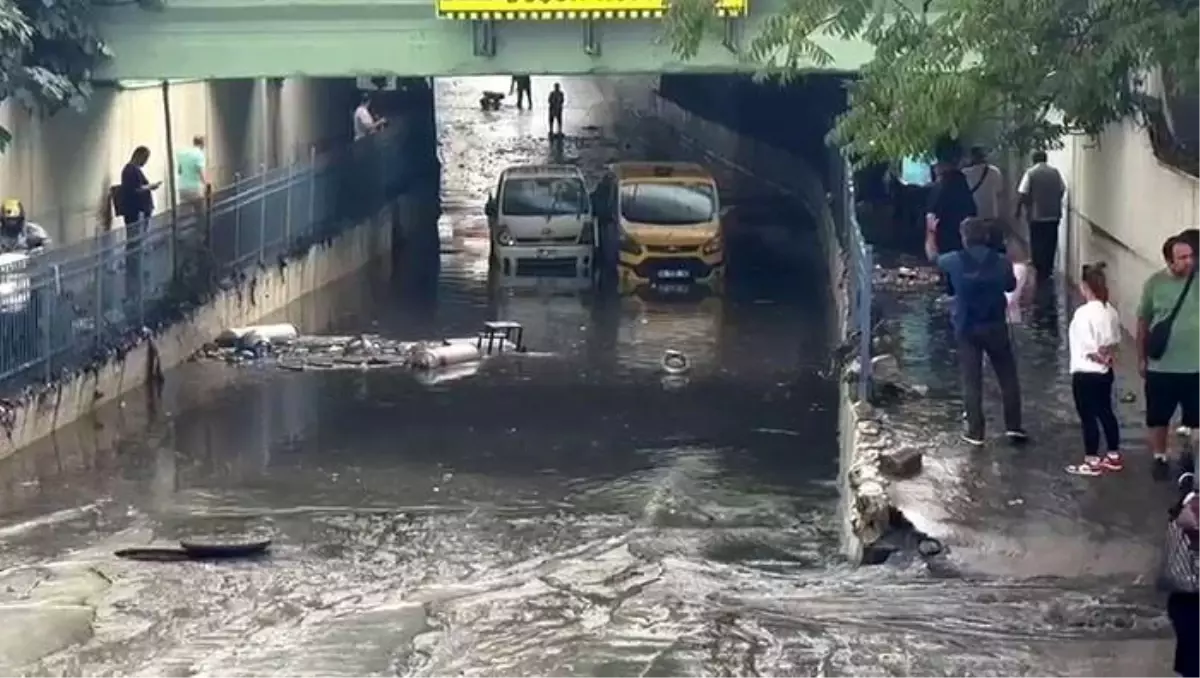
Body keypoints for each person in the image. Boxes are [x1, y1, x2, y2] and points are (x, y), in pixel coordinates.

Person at [928, 217, 1027, 446]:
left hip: (967, 329)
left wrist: (931, 232)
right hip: (996, 327)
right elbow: (1010, 286)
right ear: (985, 237)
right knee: (1008, 377)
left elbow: (933, 257)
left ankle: (975, 431)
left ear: (964, 238)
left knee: (972, 381)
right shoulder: (1001, 261)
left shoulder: (954, 260)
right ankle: (1013, 427)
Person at [1137, 235, 1200, 478]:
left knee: (1196, 419)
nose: (1189, 261)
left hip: (1195, 366)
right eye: (1182, 258)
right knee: (1158, 416)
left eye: (1191, 256)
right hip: (1162, 366)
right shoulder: (1154, 284)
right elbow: (1143, 321)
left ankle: (1190, 457)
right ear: (1169, 261)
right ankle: (1159, 456)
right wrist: (1141, 358)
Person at [1065, 263, 1123, 476]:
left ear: (1084, 286)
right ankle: (1113, 455)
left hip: (1084, 372)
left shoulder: (1083, 313)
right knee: (1106, 411)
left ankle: (1091, 460)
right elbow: (1114, 341)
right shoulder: (1111, 311)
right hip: (1105, 373)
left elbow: (1087, 346)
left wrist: (1098, 357)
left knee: (1088, 417)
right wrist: (1107, 358)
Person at [925, 159, 978, 296]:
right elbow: (973, 210)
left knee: (948, 267)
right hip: (962, 235)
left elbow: (932, 214)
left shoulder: (941, 186)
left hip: (945, 235)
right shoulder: (963, 184)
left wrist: (930, 236)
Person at [118, 146, 160, 310]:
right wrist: (151, 187)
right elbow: (135, 190)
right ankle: (134, 269)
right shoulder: (130, 171)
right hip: (136, 212)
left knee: (138, 241)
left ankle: (136, 265)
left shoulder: (132, 170)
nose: (145, 162)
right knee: (135, 241)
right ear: (139, 156)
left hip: (139, 212)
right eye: (145, 158)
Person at [1015, 150, 1066, 282]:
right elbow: (1062, 189)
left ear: (1033, 160)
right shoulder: (1055, 172)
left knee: (1037, 241)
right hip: (1053, 214)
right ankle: (1048, 269)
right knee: (1051, 241)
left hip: (1036, 214)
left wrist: (1019, 209)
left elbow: (1023, 193)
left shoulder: (1031, 173)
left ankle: (1039, 268)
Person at [961, 145, 1005, 220]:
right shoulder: (995, 171)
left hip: (973, 216)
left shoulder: (964, 173)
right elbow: (999, 192)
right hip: (991, 214)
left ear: (972, 157)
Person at [176, 134, 208, 216]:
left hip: (183, 188)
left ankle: (186, 228)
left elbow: (179, 171)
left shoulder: (183, 154)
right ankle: (200, 228)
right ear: (202, 144)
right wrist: (207, 185)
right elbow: (201, 173)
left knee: (185, 215)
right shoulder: (199, 155)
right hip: (195, 189)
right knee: (200, 213)